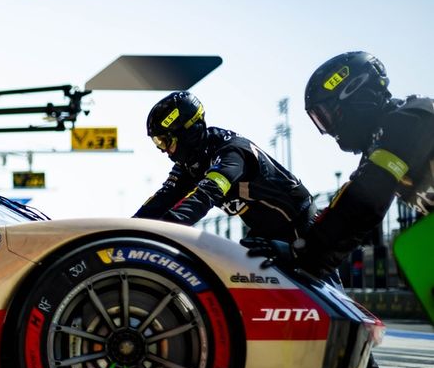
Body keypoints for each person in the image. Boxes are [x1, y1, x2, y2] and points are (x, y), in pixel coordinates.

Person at [243, 52, 434, 280]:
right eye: (320, 120)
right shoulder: (388, 137)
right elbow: (352, 202)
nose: (329, 130)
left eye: (328, 115)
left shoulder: (410, 119)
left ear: (358, 97)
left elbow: (363, 202)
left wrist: (300, 252)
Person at [135, 91, 316, 244]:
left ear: (186, 133)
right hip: (267, 232)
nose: (163, 150)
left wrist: (161, 232)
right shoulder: (192, 162)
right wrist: (129, 228)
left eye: (165, 141)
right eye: (158, 143)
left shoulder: (231, 152)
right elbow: (163, 198)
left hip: (301, 226)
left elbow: (205, 195)